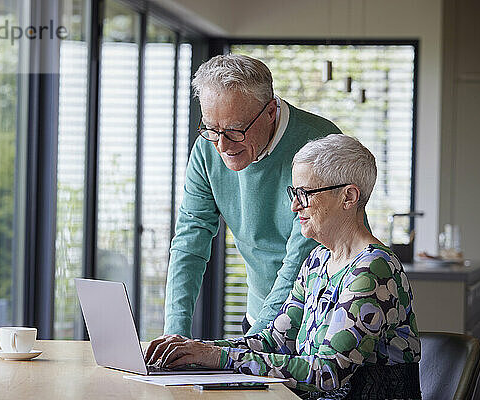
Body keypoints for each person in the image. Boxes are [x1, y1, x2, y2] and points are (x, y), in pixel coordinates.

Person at [148, 135, 422, 399]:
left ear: (348, 197)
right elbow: (273, 342)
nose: (293, 206)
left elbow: (325, 372)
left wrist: (215, 357)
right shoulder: (317, 261)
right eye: (294, 193)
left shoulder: (373, 269)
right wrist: (196, 350)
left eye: (305, 194)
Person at [165, 54, 344, 337]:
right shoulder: (206, 149)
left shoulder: (318, 147)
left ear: (271, 111)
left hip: (318, 321)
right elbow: (190, 241)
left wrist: (248, 348)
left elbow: (298, 261)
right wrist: (174, 334)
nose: (222, 145)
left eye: (235, 130)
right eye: (212, 129)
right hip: (259, 315)